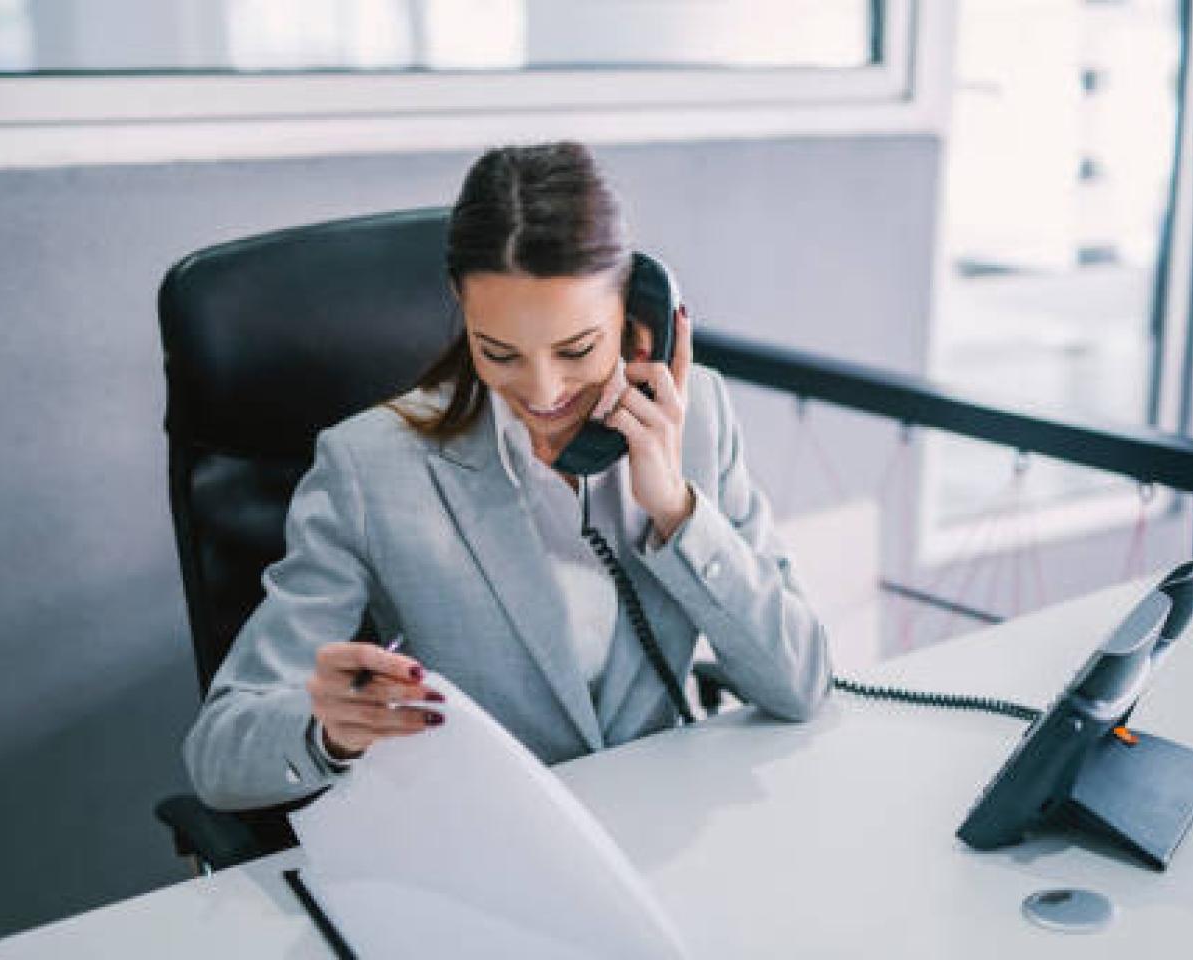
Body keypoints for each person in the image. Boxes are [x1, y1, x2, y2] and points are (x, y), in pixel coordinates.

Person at [184, 142, 830, 811]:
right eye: (500, 352)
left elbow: (801, 682)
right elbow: (218, 749)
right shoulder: (369, 468)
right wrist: (328, 734)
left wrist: (675, 509)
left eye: (576, 349)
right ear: (462, 312)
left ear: (639, 321)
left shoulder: (697, 422)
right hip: (489, 847)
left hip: (663, 830)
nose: (543, 390)